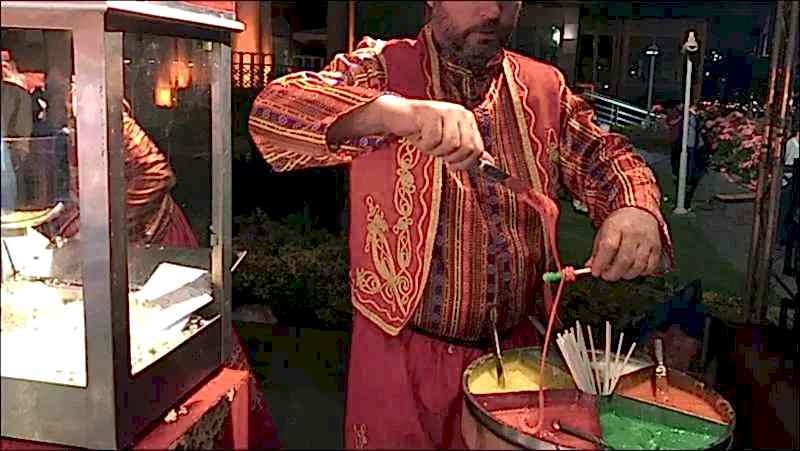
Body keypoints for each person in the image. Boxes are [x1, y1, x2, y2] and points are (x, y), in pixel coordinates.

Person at [249, 1, 673, 448]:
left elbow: (604, 156)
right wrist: (397, 113)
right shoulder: (383, 68)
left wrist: (635, 209)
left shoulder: (544, 87)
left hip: (518, 358)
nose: (491, 11)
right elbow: (272, 114)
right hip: (401, 356)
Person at [668, 102, 706, 210]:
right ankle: (681, 190)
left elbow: (699, 127)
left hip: (692, 144)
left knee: (689, 168)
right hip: (684, 144)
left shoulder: (695, 117)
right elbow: (674, 124)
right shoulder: (684, 115)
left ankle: (686, 189)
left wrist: (698, 117)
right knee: (680, 165)